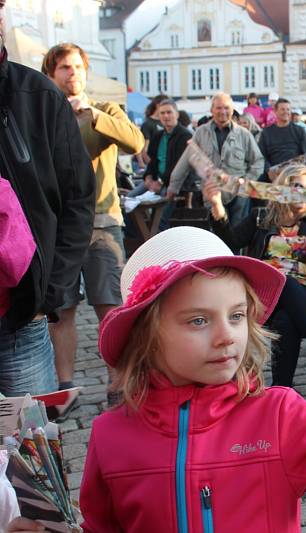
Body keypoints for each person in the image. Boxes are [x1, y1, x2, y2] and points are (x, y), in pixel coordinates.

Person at [4, 226, 306, 533]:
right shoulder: (110, 435)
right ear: (146, 337)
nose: (227, 336)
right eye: (199, 320)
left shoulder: (280, 415)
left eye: (238, 316)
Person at [42, 43, 145, 398]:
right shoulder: (43, 114)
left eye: (78, 67)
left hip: (102, 223)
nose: (73, 73)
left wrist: (94, 115)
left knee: (110, 306)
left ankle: (118, 382)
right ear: (51, 75)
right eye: (64, 68)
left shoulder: (104, 110)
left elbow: (135, 141)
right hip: (55, 228)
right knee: (61, 309)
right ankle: (65, 385)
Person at [0, 16, 95, 396]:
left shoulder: (37, 96)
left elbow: (77, 198)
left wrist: (48, 295)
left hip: (19, 320)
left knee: (31, 449)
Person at [204, 164, 306, 388]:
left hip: (302, 296)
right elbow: (231, 242)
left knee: (286, 320)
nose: (300, 191)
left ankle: (281, 389)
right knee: (282, 279)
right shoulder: (260, 217)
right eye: (295, 185)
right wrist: (218, 206)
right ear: (281, 188)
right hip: (262, 293)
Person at [169, 92, 264, 227]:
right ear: (212, 110)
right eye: (219, 108)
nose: (223, 112)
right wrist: (173, 187)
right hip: (211, 193)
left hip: (238, 195)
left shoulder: (244, 134)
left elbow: (258, 161)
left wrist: (247, 182)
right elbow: (186, 159)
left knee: (237, 234)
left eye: (226, 108)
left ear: (232, 110)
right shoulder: (201, 132)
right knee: (215, 233)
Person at [140, 99, 193, 230]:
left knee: (160, 216)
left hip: (174, 183)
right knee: (129, 202)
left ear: (177, 114)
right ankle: (139, 238)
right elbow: (152, 161)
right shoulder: (158, 135)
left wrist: (159, 182)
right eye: (162, 113)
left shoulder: (184, 135)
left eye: (169, 112)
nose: (165, 116)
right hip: (156, 181)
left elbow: (178, 165)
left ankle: (157, 239)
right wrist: (148, 177)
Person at [258, 98, 306, 177]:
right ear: (275, 111)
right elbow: (261, 156)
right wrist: (268, 170)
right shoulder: (266, 133)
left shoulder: (300, 131)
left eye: (288, 109)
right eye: (282, 109)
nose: (286, 112)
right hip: (273, 173)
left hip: (295, 172)